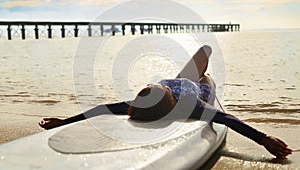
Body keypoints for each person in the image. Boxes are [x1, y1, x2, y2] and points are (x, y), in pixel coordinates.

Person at [39, 45, 292, 159]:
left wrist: (263, 139)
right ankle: (199, 73)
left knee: (205, 55)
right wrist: (264, 138)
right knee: (205, 57)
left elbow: (105, 107)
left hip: (193, 82)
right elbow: (227, 118)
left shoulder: (172, 104)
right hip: (192, 83)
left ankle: (200, 72)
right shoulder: (175, 104)